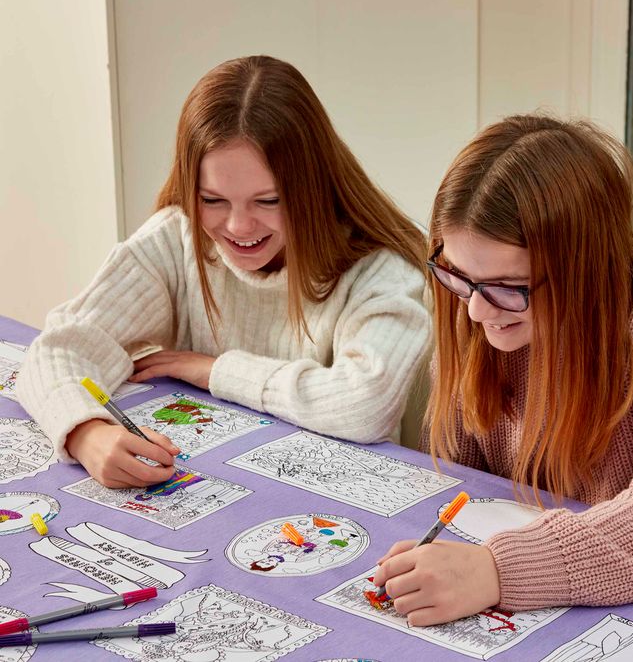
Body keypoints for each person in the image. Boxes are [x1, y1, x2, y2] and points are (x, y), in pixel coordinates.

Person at [17, 55, 431, 489]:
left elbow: (364, 406)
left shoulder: (379, 266)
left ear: (312, 186)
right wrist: (87, 433)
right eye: (212, 200)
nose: (238, 228)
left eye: (268, 201)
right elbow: (54, 352)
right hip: (208, 485)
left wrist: (213, 370)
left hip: (344, 497)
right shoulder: (178, 238)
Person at [373, 114, 633, 625]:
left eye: (510, 287)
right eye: (458, 274)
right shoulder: (477, 298)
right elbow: (461, 479)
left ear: (584, 269)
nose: (476, 313)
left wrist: (498, 570)